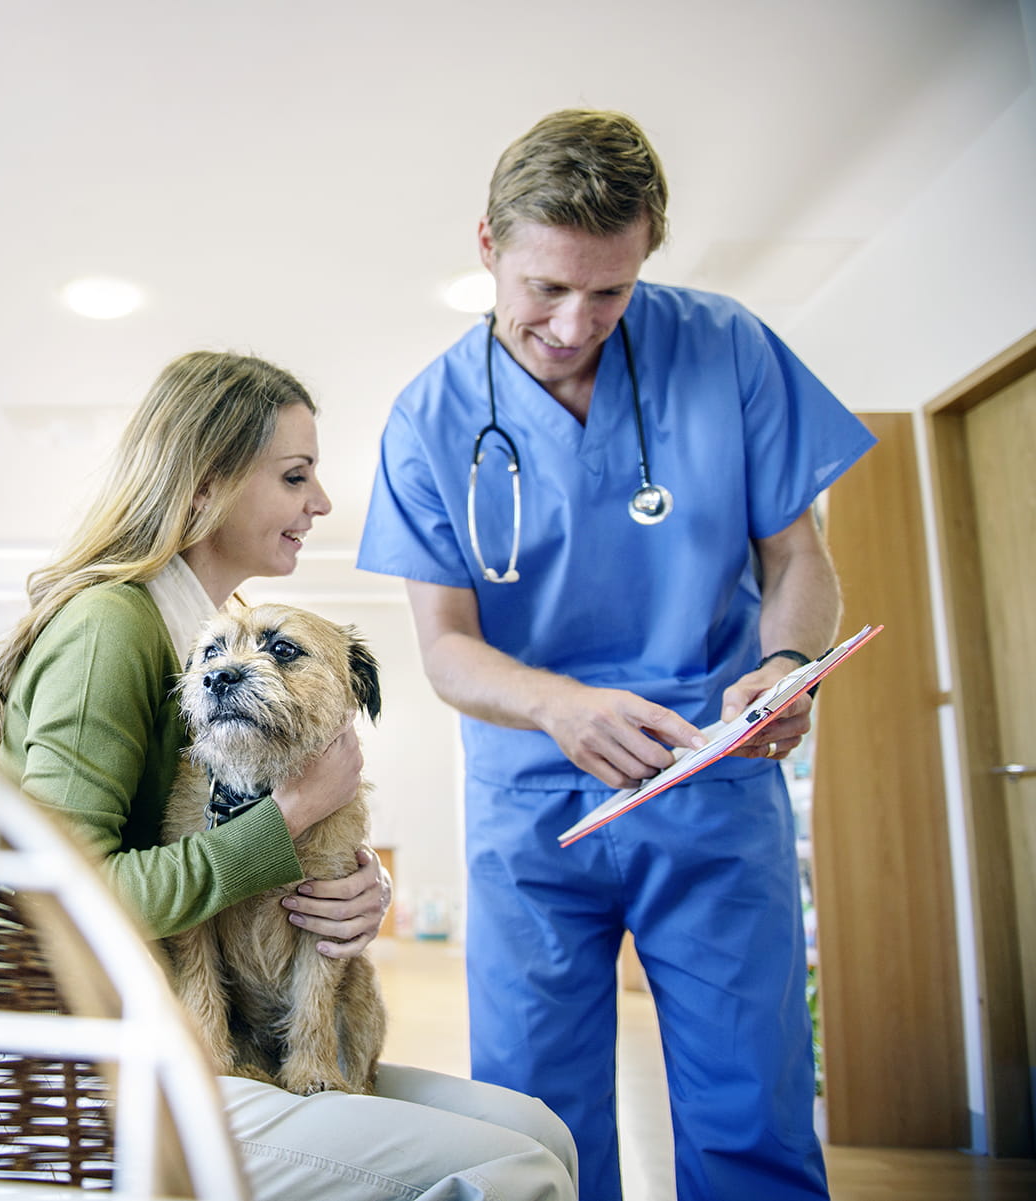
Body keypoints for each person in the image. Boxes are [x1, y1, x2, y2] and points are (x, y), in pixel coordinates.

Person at [356, 109, 877, 1201]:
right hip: (536, 797)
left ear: (647, 256)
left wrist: (787, 664)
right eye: (547, 286)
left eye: (611, 290)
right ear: (489, 243)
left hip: (712, 776)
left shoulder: (726, 347)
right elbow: (446, 650)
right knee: (537, 1121)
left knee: (754, 1107)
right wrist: (558, 707)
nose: (574, 322)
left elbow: (799, 558)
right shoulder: (427, 419)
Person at [0, 349, 579, 1200]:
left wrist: (349, 885)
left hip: (198, 1033)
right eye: (296, 476)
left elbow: (211, 835)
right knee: (512, 1170)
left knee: (540, 1129)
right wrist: (288, 817)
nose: (321, 503)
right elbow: (57, 895)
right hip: (99, 1064)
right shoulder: (113, 627)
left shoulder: (196, 636)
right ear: (209, 481)